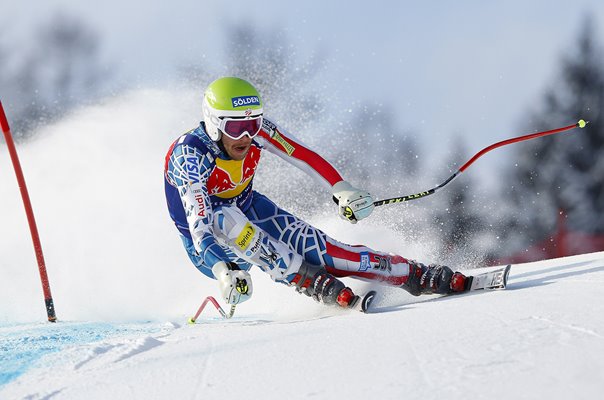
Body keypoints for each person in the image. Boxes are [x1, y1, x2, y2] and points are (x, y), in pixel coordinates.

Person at [164, 77, 468, 310]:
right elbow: (200, 225)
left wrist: (341, 189)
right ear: (215, 124)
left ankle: (414, 274)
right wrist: (222, 269)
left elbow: (302, 155)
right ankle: (305, 277)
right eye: (237, 127)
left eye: (252, 123)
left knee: (326, 251)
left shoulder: (258, 132)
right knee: (224, 217)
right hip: (209, 249)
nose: (246, 135)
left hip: (248, 208)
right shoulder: (190, 156)